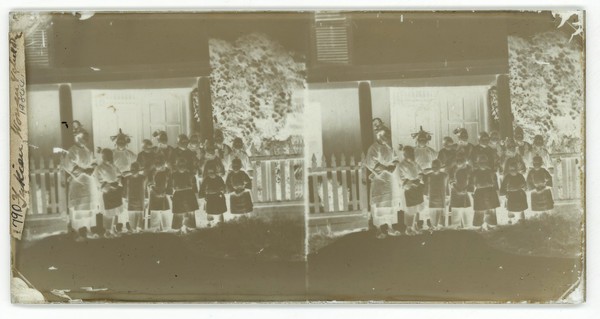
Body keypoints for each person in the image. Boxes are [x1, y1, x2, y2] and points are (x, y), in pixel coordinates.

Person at [61, 123, 99, 240]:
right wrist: (83, 170)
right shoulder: (72, 151)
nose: (85, 140)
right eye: (83, 138)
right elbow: (69, 165)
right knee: (78, 206)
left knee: (88, 206)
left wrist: (91, 169)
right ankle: (77, 231)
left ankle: (87, 229)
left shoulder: (88, 150)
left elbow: (94, 162)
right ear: (77, 138)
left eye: (86, 138)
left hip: (88, 181)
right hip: (78, 181)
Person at [365, 129, 402, 239]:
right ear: (379, 136)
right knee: (380, 202)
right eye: (385, 136)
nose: (387, 138)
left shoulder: (389, 147)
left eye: (387, 136)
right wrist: (386, 168)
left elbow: (395, 158)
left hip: (390, 177)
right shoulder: (373, 148)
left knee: (390, 201)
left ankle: (390, 227)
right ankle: (379, 229)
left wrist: (393, 166)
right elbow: (371, 162)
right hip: (379, 178)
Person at [93, 149, 124, 237]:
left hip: (116, 190)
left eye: (110, 155)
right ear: (102, 157)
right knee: (108, 212)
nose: (109, 158)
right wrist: (109, 186)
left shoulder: (114, 166)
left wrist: (117, 183)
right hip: (107, 192)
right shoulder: (98, 168)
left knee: (116, 211)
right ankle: (107, 231)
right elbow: (98, 181)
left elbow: (119, 175)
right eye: (106, 156)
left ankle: (114, 228)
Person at [397, 146, 426, 235]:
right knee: (410, 210)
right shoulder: (401, 165)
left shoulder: (415, 163)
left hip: (417, 188)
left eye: (412, 153)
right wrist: (412, 183)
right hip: (408, 189)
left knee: (417, 208)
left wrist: (418, 180)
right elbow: (401, 178)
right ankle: (408, 228)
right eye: (408, 153)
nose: (411, 155)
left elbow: (421, 172)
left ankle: (415, 225)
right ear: (404, 154)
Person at [471, 154, 500, 231]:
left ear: (487, 162)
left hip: (490, 191)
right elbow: (471, 183)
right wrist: (472, 191)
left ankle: (491, 224)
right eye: (481, 162)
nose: (483, 163)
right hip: (479, 191)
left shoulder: (491, 172)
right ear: (478, 163)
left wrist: (497, 191)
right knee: (479, 209)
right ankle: (478, 225)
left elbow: (495, 182)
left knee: (490, 209)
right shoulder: (475, 172)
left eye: (484, 162)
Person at [171, 158, 199, 234]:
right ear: (176, 166)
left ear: (186, 166)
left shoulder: (190, 174)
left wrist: (196, 195)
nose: (181, 167)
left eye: (183, 165)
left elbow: (194, 186)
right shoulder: (174, 175)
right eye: (180, 165)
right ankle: (177, 228)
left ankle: (190, 227)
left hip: (189, 194)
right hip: (178, 194)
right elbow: (170, 186)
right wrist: (171, 194)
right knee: (178, 212)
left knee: (190, 211)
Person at [147, 155, 172, 231]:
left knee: (165, 210)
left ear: (164, 162)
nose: (159, 165)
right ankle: (155, 227)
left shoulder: (167, 171)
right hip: (154, 193)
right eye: (157, 162)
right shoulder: (152, 171)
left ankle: (166, 226)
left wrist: (166, 191)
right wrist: (156, 191)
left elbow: (170, 182)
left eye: (161, 163)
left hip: (164, 192)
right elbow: (150, 183)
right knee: (155, 210)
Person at [449, 155, 473, 229]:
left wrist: (466, 188)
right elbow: (451, 181)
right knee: (456, 208)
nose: (459, 162)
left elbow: (471, 180)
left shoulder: (469, 169)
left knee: (466, 208)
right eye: (458, 160)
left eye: (461, 160)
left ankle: (467, 225)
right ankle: (456, 225)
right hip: (455, 191)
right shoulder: (453, 169)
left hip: (465, 191)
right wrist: (457, 189)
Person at [121, 161, 146, 232]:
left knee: (140, 212)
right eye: (132, 169)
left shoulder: (143, 178)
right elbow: (125, 188)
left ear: (138, 169)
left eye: (135, 169)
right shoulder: (127, 178)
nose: (133, 170)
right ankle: (132, 227)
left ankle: (139, 227)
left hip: (140, 198)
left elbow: (146, 188)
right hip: (130, 198)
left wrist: (146, 198)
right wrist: (125, 198)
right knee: (131, 213)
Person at [424, 159, 449, 230]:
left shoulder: (445, 175)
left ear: (440, 167)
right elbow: (427, 185)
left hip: (441, 196)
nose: (434, 168)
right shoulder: (429, 176)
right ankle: (433, 225)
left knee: (441, 210)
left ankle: (441, 225)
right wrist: (426, 194)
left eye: (436, 166)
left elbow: (447, 186)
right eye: (433, 166)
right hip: (432, 196)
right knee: (432, 210)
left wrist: (447, 196)